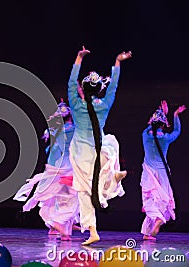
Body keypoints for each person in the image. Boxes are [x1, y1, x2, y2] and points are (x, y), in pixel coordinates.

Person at [68, 46, 132, 245]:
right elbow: (113, 87)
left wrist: (79, 58)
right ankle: (113, 176)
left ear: (83, 90)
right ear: (98, 90)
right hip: (101, 149)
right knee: (109, 149)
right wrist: (117, 62)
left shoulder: (76, 105)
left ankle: (93, 230)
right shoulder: (104, 105)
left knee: (84, 190)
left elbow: (71, 83)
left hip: (81, 153)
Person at [14, 100, 79, 240]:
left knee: (59, 197)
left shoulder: (56, 131)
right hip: (67, 167)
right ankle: (61, 227)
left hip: (59, 167)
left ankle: (62, 228)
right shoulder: (71, 130)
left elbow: (54, 151)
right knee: (67, 198)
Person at [140, 101, 186, 240]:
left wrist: (162, 114)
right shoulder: (165, 138)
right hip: (163, 173)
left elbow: (149, 127)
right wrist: (175, 114)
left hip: (149, 172)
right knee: (160, 200)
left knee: (149, 199)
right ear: (163, 125)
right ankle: (148, 233)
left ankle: (158, 219)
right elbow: (177, 131)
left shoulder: (146, 136)